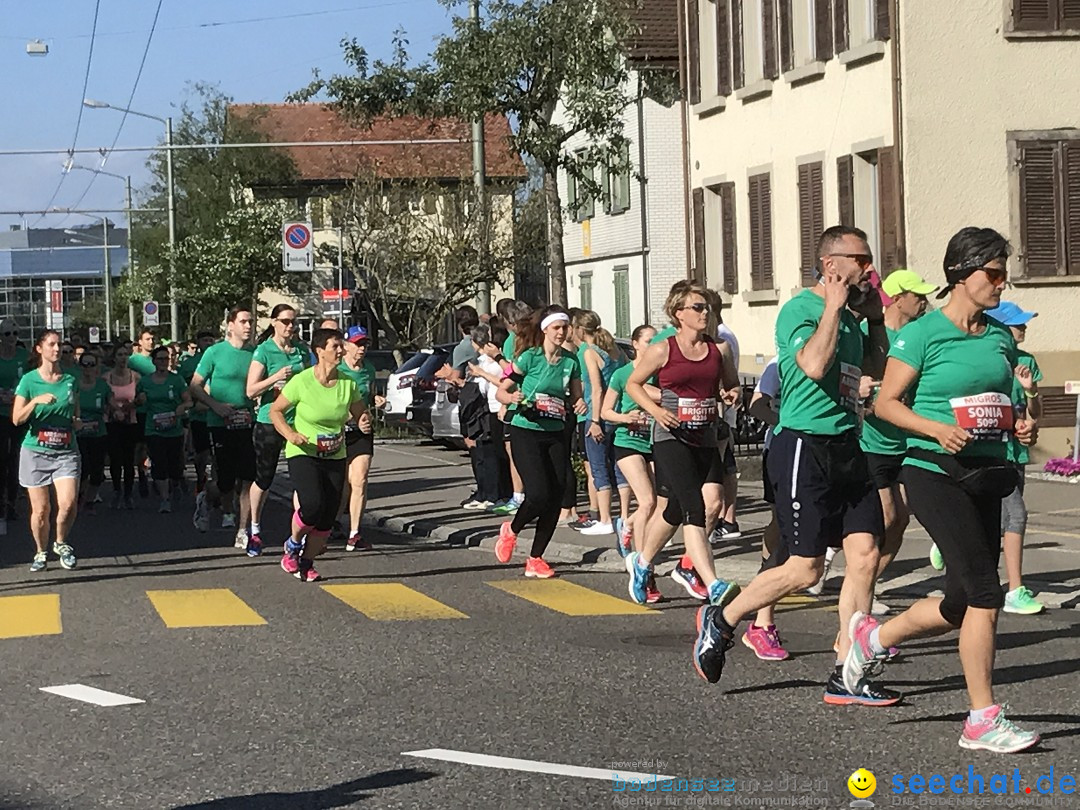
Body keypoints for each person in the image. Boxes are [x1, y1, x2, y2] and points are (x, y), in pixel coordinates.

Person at [845, 227, 1040, 752]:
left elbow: (1007, 404)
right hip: (932, 471)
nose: (1003, 282)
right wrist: (935, 429)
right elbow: (885, 403)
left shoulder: (999, 336)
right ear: (962, 274)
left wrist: (1021, 425)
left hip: (987, 472)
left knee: (959, 601)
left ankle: (873, 637)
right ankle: (981, 718)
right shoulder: (922, 334)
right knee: (984, 592)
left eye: (1005, 272)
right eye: (993, 273)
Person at [692, 225, 892, 706]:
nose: (869, 269)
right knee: (805, 569)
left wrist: (875, 320)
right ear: (830, 265)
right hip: (804, 446)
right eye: (859, 260)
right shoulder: (801, 311)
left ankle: (848, 673)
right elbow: (815, 366)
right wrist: (833, 308)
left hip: (848, 442)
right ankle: (721, 619)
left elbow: (879, 370)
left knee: (864, 557)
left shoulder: (852, 318)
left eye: (869, 259)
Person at [810, 269, 939, 611]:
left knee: (899, 522)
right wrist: (865, 396)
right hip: (871, 443)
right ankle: (833, 563)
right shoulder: (868, 332)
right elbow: (848, 381)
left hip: (904, 442)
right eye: (917, 295)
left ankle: (869, 585)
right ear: (897, 297)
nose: (923, 301)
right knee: (880, 519)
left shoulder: (918, 337)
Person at [624, 282, 742, 607]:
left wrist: (731, 394)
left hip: (705, 436)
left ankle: (642, 562)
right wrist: (657, 411)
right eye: (698, 307)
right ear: (679, 314)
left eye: (707, 307)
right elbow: (633, 384)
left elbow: (730, 385)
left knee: (696, 505)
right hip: (671, 438)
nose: (705, 313)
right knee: (694, 508)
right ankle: (712, 582)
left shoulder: (719, 349)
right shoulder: (663, 350)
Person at [271, 327, 370, 582]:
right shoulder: (302, 381)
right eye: (335, 346)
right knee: (312, 505)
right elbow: (276, 411)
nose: (340, 350)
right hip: (303, 451)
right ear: (319, 351)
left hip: (335, 453)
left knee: (328, 516)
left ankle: (307, 562)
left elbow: (360, 412)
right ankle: (292, 545)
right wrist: (291, 435)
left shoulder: (347, 384)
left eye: (341, 346)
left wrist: (363, 421)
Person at [494, 306, 586, 578]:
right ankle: (511, 530)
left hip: (556, 430)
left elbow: (576, 397)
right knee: (537, 494)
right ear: (545, 329)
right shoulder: (529, 358)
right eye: (556, 327)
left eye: (565, 327)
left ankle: (536, 558)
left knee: (556, 496)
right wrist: (510, 399)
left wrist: (579, 404)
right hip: (526, 429)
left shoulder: (572, 361)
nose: (561, 332)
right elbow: (502, 389)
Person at [979, 301, 1045, 615]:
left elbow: (1036, 415)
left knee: (998, 519)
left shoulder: (1027, 361)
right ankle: (1015, 590)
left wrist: (1030, 392)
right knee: (1017, 515)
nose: (1024, 327)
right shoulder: (988, 358)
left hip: (1017, 453)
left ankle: (951, 548)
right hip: (992, 452)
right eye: (1018, 323)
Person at [601, 324, 662, 602]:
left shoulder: (661, 375)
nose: (652, 345)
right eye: (648, 341)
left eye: (656, 341)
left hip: (655, 442)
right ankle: (644, 572)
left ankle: (625, 526)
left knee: (661, 505)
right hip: (627, 442)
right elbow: (605, 411)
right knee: (647, 502)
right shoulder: (623, 374)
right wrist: (626, 418)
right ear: (636, 344)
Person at [12, 330, 80, 572]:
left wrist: (76, 421)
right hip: (35, 452)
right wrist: (35, 401)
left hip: (65, 451)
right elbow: (16, 419)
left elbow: (75, 408)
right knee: (41, 511)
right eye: (51, 344)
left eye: (59, 344)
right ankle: (40, 551)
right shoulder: (29, 380)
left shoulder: (70, 379)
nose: (57, 349)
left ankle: (60, 543)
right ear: (39, 349)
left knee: (69, 503)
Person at [189, 307, 256, 548]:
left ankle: (242, 528)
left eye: (250, 322)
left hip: (247, 422)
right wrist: (215, 406)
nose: (248, 326)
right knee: (225, 479)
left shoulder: (255, 353)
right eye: (243, 322)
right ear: (230, 325)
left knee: (248, 476)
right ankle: (208, 499)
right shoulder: (215, 352)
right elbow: (195, 386)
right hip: (220, 423)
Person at [246, 303, 308, 556]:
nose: (290, 326)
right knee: (265, 478)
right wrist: (275, 378)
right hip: (269, 421)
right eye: (284, 321)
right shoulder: (264, 351)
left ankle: (298, 535)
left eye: (293, 321)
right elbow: (250, 390)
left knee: (302, 480)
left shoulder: (301, 351)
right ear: (273, 322)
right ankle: (255, 529)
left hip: (298, 422)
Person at [739, 356, 789, 660]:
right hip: (784, 448)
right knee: (783, 527)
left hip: (835, 450)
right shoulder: (778, 364)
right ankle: (761, 621)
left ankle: (856, 630)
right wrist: (786, 423)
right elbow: (757, 405)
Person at [574, 310, 629, 537]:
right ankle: (625, 516)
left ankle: (605, 518)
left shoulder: (589, 352)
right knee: (619, 467)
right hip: (618, 414)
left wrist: (595, 420)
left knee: (599, 469)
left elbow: (596, 389)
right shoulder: (616, 350)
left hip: (599, 416)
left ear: (579, 329)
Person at [337, 325, 385, 551]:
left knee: (360, 479)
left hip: (361, 431)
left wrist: (376, 400)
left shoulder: (369, 369)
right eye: (357, 344)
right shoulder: (336, 370)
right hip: (336, 431)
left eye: (364, 344)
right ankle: (334, 521)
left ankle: (354, 533)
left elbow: (370, 393)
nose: (361, 349)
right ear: (345, 345)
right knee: (339, 483)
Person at [137, 345, 192, 513]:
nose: (163, 362)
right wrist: (139, 400)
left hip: (174, 429)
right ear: (153, 361)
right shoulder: (145, 381)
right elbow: (136, 403)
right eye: (160, 359)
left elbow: (189, 401)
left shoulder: (176, 380)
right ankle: (164, 498)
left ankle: (175, 482)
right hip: (153, 428)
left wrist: (182, 408)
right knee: (159, 463)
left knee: (175, 465)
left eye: (166, 359)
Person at [491, 301, 533, 517]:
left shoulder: (512, 341)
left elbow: (510, 373)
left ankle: (519, 496)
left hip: (519, 404)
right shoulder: (528, 339)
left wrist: (504, 402)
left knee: (515, 452)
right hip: (520, 401)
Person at [0, 318, 30, 534]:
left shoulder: (23, 357)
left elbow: (30, 381)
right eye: (8, 334)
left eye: (15, 333)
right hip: (0, 413)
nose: (12, 338)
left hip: (19, 413)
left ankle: (11, 501)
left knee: (16, 457)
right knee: (2, 456)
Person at [179, 332, 216, 504]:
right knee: (202, 453)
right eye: (204, 340)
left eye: (210, 340)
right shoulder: (189, 364)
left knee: (217, 453)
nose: (208, 343)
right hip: (198, 416)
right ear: (198, 343)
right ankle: (201, 477)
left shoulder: (219, 359)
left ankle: (217, 483)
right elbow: (185, 387)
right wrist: (192, 403)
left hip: (218, 414)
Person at [105, 343, 141, 509]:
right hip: (111, 422)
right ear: (114, 358)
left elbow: (140, 399)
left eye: (125, 355)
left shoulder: (136, 377)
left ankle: (128, 493)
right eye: (119, 355)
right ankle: (116, 489)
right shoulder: (106, 378)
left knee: (129, 459)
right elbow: (104, 398)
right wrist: (114, 409)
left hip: (130, 422)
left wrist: (131, 406)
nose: (123, 358)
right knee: (115, 459)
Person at [76, 349, 111, 516]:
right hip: (79, 434)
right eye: (85, 364)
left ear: (97, 367)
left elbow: (110, 405)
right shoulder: (74, 385)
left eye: (92, 364)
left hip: (98, 433)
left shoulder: (102, 386)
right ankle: (79, 496)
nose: (88, 368)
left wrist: (118, 410)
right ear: (80, 366)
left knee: (97, 472)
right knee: (83, 469)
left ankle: (89, 501)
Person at [129, 328, 157, 497]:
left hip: (156, 410)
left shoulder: (159, 359)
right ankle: (141, 472)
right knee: (139, 445)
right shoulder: (133, 361)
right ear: (140, 342)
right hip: (140, 410)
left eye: (153, 339)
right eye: (147, 339)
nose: (151, 342)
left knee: (153, 444)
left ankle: (154, 473)